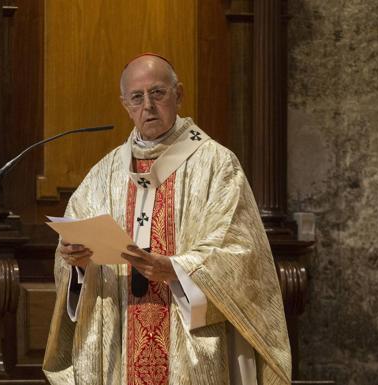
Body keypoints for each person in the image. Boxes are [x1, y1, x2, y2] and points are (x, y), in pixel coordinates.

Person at [43, 53, 291, 385]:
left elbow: (241, 254)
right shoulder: (104, 175)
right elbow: (71, 252)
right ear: (125, 105)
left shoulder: (216, 165)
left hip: (190, 347)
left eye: (157, 93)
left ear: (179, 94)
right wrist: (77, 264)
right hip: (119, 345)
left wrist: (175, 270)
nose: (148, 105)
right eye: (137, 97)